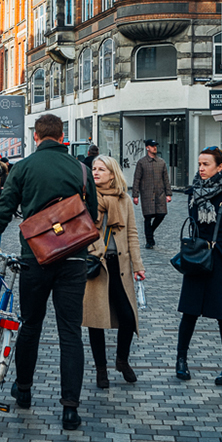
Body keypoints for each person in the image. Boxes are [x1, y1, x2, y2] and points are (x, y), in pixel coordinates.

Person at [0, 113, 99, 432]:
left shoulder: (24, 167)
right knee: (70, 332)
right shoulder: (82, 169)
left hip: (36, 258)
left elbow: (3, 208)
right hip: (73, 258)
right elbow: (92, 214)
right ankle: (70, 409)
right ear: (62, 136)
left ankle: (23, 391)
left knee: (30, 325)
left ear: (37, 137)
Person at [175, 147, 222, 386]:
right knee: (189, 311)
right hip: (197, 257)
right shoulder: (194, 193)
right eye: (199, 164)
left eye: (206, 164)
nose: (201, 168)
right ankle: (181, 360)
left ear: (220, 167)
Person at [83, 155, 145, 389]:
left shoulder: (124, 200)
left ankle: (122, 360)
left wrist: (138, 265)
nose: (96, 172)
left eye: (101, 169)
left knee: (127, 316)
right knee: (96, 320)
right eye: (94, 169)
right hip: (95, 263)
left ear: (112, 174)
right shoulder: (85, 197)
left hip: (119, 264)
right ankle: (101, 370)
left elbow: (132, 233)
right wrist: (92, 250)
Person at [132, 140, 172, 248]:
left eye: (155, 146)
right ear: (147, 148)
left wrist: (169, 193)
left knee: (161, 214)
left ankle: (150, 231)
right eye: (152, 146)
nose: (155, 148)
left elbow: (166, 179)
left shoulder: (161, 162)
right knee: (148, 217)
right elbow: (137, 179)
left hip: (160, 194)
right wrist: (135, 195)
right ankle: (149, 241)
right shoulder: (142, 162)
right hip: (147, 194)